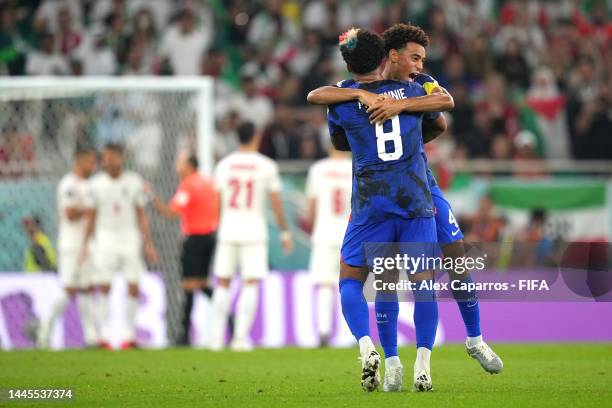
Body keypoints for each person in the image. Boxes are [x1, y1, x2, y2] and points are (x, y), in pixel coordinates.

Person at [308, 23, 503, 391]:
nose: (419, 64)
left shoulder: (406, 87)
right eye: (414, 57)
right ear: (391, 56)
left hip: (409, 190)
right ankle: (396, 363)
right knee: (397, 281)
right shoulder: (400, 89)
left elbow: (443, 108)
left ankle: (474, 339)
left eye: (422, 59)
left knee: (455, 261)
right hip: (412, 196)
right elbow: (438, 121)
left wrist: (395, 109)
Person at [209, 122, 293, 351]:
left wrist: (218, 226)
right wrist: (285, 232)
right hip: (254, 231)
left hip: (228, 229)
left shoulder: (224, 165)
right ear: (255, 138)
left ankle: (216, 339)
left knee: (223, 282)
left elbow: (216, 202)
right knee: (250, 282)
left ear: (237, 138)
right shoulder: (265, 166)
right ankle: (239, 339)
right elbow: (276, 203)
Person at [80, 142, 158, 350]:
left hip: (130, 238)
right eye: (105, 157)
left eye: (112, 156)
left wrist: (148, 244)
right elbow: (91, 218)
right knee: (104, 285)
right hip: (105, 239)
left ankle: (128, 335)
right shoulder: (95, 185)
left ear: (121, 158)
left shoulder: (134, 182)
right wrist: (85, 245)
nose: (108, 161)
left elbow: (142, 215)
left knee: (134, 285)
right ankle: (104, 334)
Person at [147, 152, 219, 345]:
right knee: (201, 285)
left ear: (189, 166)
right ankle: (227, 316)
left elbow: (170, 213)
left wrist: (152, 197)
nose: (176, 166)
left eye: (180, 162)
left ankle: (184, 336)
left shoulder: (188, 185)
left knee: (188, 286)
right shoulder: (209, 182)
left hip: (194, 239)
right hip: (210, 237)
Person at [38, 147, 98, 349]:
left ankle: (91, 338)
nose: (93, 166)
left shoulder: (89, 186)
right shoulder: (69, 184)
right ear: (79, 161)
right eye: (90, 161)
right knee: (69, 289)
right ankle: (45, 329)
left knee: (87, 288)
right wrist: (89, 209)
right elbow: (70, 213)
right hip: (71, 244)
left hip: (87, 244)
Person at [305, 144, 352, 347]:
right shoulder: (356, 167)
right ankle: (349, 334)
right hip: (349, 235)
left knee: (325, 284)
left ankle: (323, 331)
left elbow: (311, 206)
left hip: (323, 233)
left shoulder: (318, 169)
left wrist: (314, 227)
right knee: (350, 284)